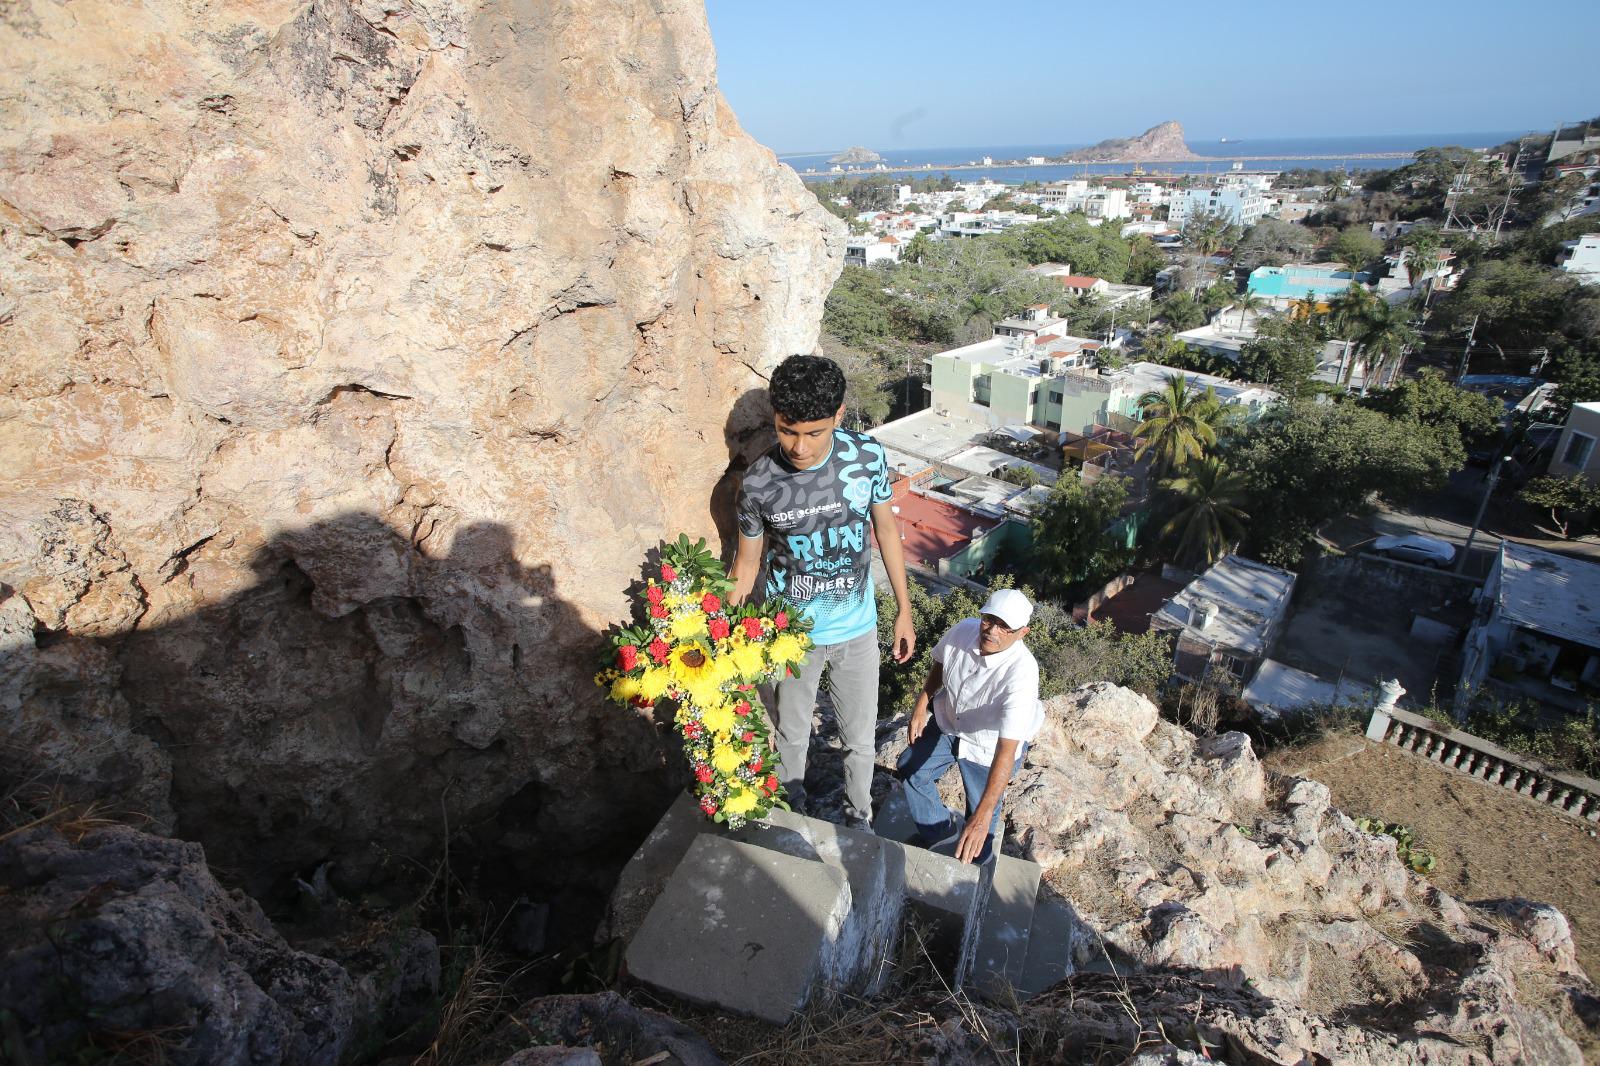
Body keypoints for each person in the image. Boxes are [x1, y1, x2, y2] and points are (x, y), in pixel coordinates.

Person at [731, 354, 915, 829]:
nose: (799, 446)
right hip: (790, 638)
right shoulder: (758, 484)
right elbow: (746, 565)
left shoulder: (867, 457)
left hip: (857, 630)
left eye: (814, 433)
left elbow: (886, 533)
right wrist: (727, 640)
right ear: (775, 418)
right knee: (790, 738)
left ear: (838, 415)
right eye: (787, 430)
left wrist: (903, 610)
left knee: (860, 740)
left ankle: (860, 823)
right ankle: (792, 823)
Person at [896, 588, 1041, 865]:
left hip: (988, 745)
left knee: (980, 815)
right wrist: (921, 705)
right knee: (911, 768)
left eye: (1004, 627)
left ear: (1023, 633)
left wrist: (983, 816)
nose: (992, 631)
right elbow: (941, 663)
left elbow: (1006, 750)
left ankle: (977, 864)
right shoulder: (964, 629)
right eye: (989, 620)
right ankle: (939, 832)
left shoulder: (1022, 673)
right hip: (951, 721)